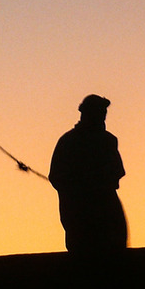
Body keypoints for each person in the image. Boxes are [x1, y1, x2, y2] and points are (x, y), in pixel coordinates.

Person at [48, 95, 127, 255]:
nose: (103, 116)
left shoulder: (107, 141)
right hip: (80, 213)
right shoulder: (69, 142)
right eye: (100, 112)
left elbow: (118, 171)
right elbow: (56, 176)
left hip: (103, 211)